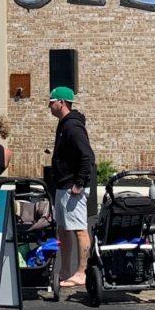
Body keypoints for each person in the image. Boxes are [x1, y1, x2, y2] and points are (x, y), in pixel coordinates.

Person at [48, 86, 95, 290]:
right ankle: (66, 270)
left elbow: (87, 156)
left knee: (79, 229)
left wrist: (80, 183)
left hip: (71, 186)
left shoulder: (73, 126)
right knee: (62, 228)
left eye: (52, 102)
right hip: (62, 185)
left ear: (62, 103)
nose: (49, 105)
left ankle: (83, 272)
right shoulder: (63, 125)